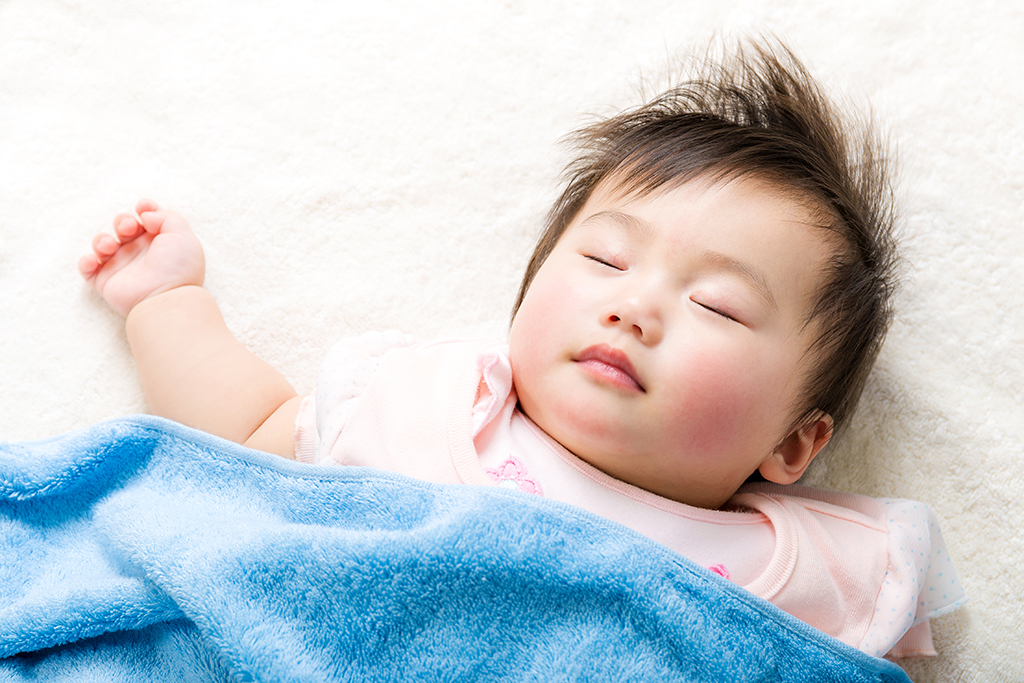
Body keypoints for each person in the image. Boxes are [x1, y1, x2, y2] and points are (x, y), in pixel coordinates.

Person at [78, 40, 963, 659]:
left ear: (795, 442)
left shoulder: (825, 574)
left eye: (716, 306)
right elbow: (248, 431)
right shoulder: (426, 410)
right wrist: (166, 302)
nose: (634, 308)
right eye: (606, 259)